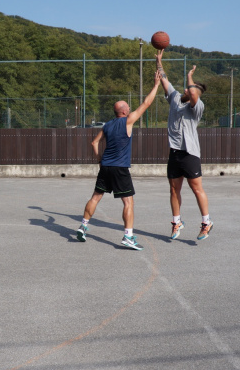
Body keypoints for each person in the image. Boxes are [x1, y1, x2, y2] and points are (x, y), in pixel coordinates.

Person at [76, 70, 162, 250]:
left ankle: (83, 226)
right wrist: (156, 85)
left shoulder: (107, 125)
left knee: (96, 197)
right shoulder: (128, 121)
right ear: (124, 111)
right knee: (128, 202)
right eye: (128, 107)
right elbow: (146, 103)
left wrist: (100, 159)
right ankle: (128, 236)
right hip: (119, 168)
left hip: (106, 166)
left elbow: (94, 142)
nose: (130, 109)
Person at [155, 49, 213, 240]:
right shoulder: (174, 97)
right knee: (174, 189)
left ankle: (206, 222)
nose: (189, 90)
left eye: (192, 89)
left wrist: (190, 78)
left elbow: (195, 95)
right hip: (175, 153)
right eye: (189, 88)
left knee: (196, 188)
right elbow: (164, 79)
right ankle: (176, 222)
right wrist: (159, 61)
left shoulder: (196, 107)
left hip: (190, 153)